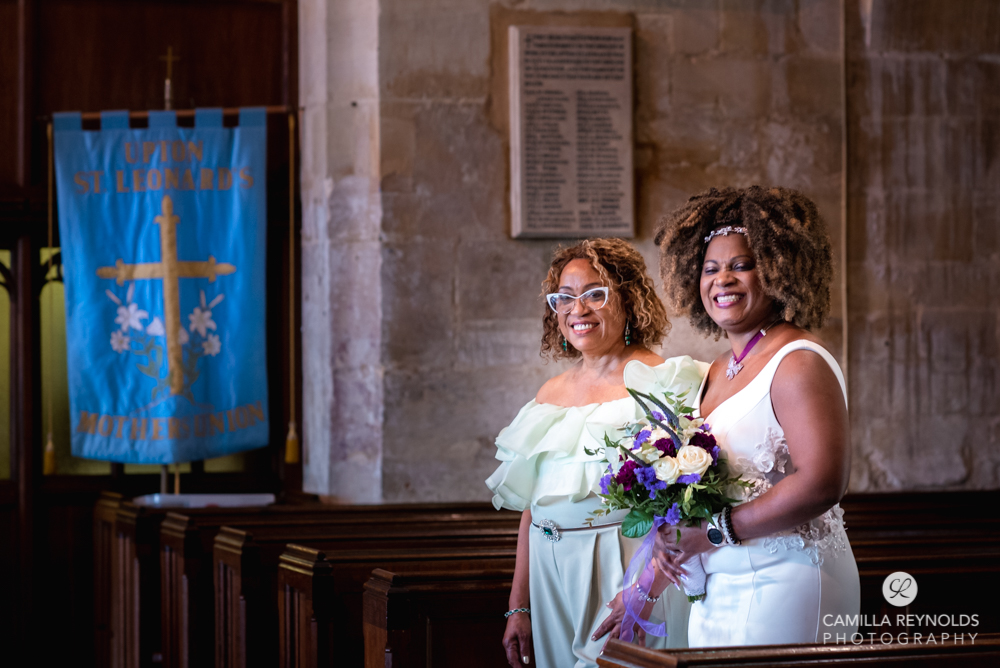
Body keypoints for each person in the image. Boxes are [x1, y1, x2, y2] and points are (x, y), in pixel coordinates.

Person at [646, 185, 860, 646]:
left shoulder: (800, 360)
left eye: (741, 265)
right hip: (721, 583)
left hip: (790, 579)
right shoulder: (718, 370)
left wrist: (714, 532)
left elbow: (823, 482)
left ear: (779, 271)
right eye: (710, 268)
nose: (722, 279)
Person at [486, 238, 706, 668]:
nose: (577, 309)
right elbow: (532, 509)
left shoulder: (664, 381)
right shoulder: (549, 396)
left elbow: (689, 504)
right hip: (550, 574)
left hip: (623, 567)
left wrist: (643, 588)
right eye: (564, 298)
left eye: (594, 294)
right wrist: (519, 605)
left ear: (628, 298)